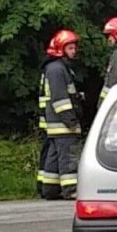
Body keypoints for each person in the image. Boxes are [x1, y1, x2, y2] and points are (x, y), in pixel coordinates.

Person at [37, 29, 84, 200]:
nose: (74, 51)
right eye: (70, 48)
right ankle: (71, 190)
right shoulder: (57, 69)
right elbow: (60, 99)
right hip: (62, 124)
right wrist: (71, 120)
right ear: (60, 49)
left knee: (54, 157)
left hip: (55, 124)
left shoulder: (56, 67)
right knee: (68, 157)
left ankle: (50, 189)